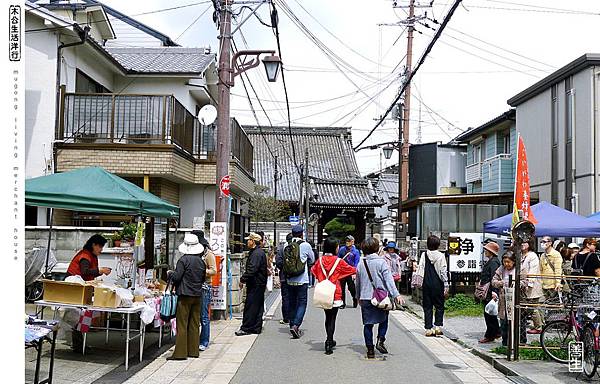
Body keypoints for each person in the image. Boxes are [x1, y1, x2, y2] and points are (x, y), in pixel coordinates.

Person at [355, 237, 403, 359]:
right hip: (380, 297)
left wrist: (357, 296)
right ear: (376, 248)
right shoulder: (381, 262)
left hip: (365, 297)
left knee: (368, 324)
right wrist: (396, 294)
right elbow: (389, 280)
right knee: (384, 319)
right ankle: (380, 340)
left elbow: (358, 282)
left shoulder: (361, 263)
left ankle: (370, 349)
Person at [310, 237, 356, 355]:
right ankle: (329, 341)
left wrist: (322, 278)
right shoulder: (338, 261)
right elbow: (351, 270)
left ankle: (329, 339)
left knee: (327, 317)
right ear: (335, 248)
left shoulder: (319, 261)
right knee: (333, 318)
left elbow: (313, 270)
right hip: (335, 293)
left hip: (324, 293)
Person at [66, 234, 112, 352]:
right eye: (100, 247)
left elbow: (89, 273)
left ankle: (79, 345)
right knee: (78, 314)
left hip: (81, 287)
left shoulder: (92, 256)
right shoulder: (85, 255)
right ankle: (78, 346)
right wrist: (100, 270)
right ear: (94, 245)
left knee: (81, 314)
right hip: (74, 287)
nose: (101, 250)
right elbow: (84, 271)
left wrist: (100, 272)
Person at [167, 234, 206, 360]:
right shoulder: (201, 261)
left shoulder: (183, 260)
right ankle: (193, 351)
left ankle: (180, 353)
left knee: (182, 324)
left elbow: (177, 277)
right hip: (197, 295)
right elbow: (203, 278)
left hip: (184, 295)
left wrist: (170, 274)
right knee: (194, 323)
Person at [491, 250, 527, 347]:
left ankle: (520, 343)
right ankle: (505, 343)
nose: (506, 264)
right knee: (504, 321)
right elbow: (494, 281)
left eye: (508, 262)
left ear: (514, 261)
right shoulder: (501, 269)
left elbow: (525, 282)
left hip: (517, 298)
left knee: (519, 321)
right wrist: (500, 283)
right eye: (504, 262)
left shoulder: (520, 269)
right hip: (504, 299)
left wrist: (516, 284)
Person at [236, 233, 268, 336]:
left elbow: (252, 269)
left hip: (255, 283)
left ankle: (246, 327)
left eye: (248, 240)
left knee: (251, 306)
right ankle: (256, 327)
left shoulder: (256, 254)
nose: (247, 242)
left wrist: (243, 279)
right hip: (259, 283)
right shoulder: (259, 252)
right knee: (257, 306)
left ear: (253, 241)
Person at [286, 225, 315, 339]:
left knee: (292, 302)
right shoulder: (306, 245)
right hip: (302, 279)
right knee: (302, 303)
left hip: (289, 278)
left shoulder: (286, 244)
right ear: (302, 234)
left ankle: (292, 323)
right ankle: (296, 325)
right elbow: (312, 259)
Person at [418, 235, 449, 337]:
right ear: (438, 244)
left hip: (426, 283)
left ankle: (428, 328)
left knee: (427, 306)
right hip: (437, 284)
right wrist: (446, 284)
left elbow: (421, 268)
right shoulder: (441, 256)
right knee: (439, 306)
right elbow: (443, 271)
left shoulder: (424, 255)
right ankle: (437, 327)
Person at [191, 230, 217, 351]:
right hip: (194, 286)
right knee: (195, 315)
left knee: (204, 316)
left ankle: (204, 341)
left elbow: (214, 271)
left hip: (205, 287)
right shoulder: (195, 253)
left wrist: (201, 271)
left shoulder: (208, 254)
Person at [478, 241, 501, 343]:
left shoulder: (494, 262)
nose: (485, 252)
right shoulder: (491, 261)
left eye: (486, 250)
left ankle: (490, 334)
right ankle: (496, 332)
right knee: (490, 313)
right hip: (488, 291)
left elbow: (494, 277)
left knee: (489, 313)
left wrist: (494, 292)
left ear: (491, 251)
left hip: (490, 291)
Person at [520, 237, 543, 337]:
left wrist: (529, 284)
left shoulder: (532, 256)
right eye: (521, 242)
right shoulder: (521, 255)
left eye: (525, 242)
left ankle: (538, 327)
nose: (523, 244)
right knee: (527, 307)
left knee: (533, 307)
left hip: (531, 286)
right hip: (523, 285)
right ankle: (535, 325)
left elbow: (532, 271)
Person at [337, 235, 361, 308]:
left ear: (353, 242)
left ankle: (355, 298)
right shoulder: (342, 249)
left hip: (350, 271)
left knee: (351, 287)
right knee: (342, 287)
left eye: (349, 241)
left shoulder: (356, 251)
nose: (347, 242)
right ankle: (342, 302)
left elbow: (356, 262)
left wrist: (354, 272)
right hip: (342, 271)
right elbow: (338, 258)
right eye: (346, 241)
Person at [275, 233, 293, 325]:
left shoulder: (281, 249)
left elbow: (278, 263)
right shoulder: (297, 248)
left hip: (284, 277)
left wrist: (284, 267)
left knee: (285, 297)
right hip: (296, 277)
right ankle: (294, 317)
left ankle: (286, 318)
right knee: (294, 297)